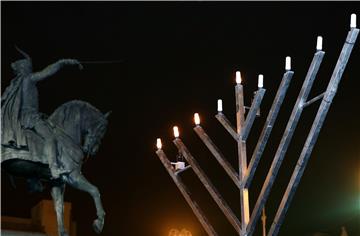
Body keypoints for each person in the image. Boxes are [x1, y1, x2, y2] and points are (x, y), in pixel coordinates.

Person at [1, 47, 83, 178]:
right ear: (26, 69)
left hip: (18, 119)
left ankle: (33, 180)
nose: (31, 70)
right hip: (31, 117)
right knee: (50, 138)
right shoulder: (29, 79)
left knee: (36, 141)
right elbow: (48, 71)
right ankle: (54, 168)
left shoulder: (14, 85)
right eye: (29, 67)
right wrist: (63, 62)